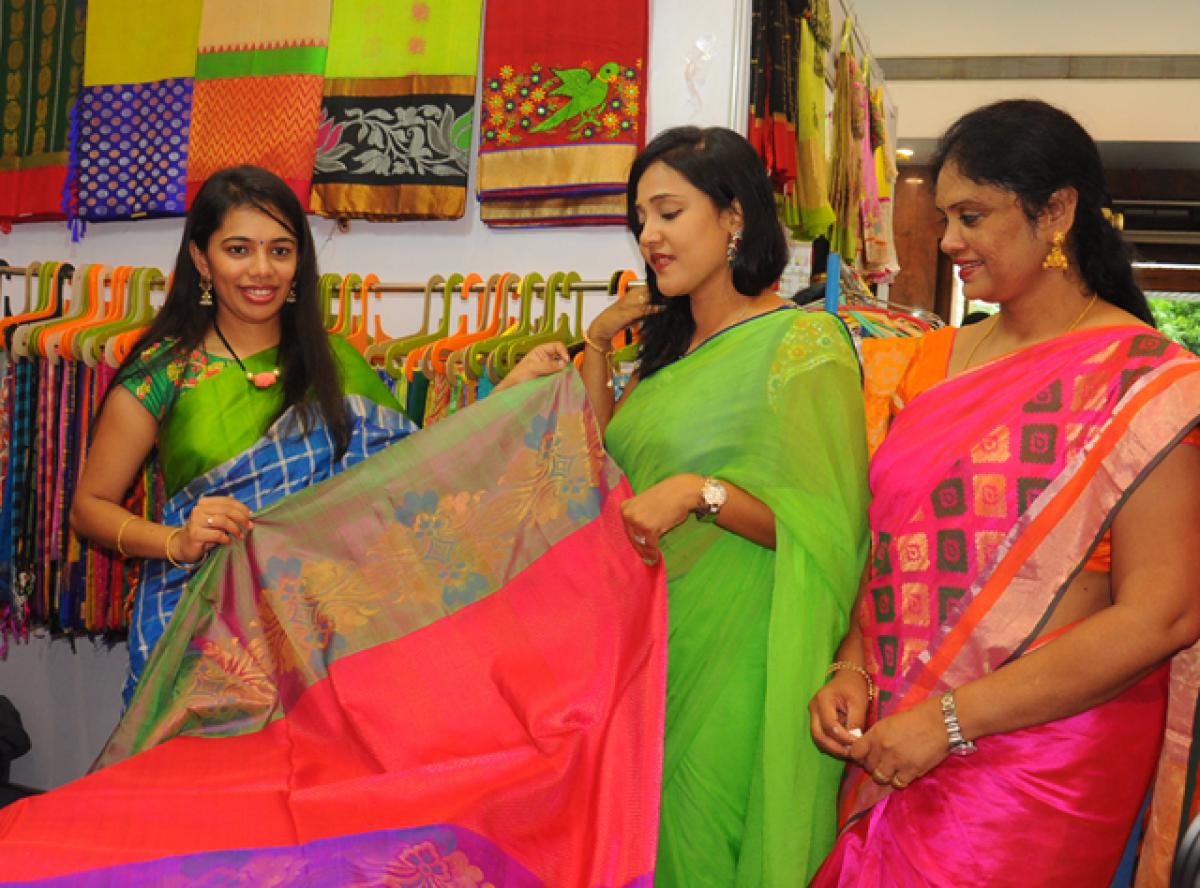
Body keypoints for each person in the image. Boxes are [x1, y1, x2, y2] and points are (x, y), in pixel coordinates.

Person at [808, 99, 1200, 887]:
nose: (948, 241)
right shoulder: (925, 362)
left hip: (1042, 761)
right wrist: (852, 668)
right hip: (898, 732)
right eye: (945, 218)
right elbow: (891, 548)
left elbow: (1163, 615)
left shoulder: (1151, 385)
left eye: (973, 216)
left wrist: (950, 721)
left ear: (1057, 212)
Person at [69, 165, 555, 704]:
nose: (262, 270)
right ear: (202, 260)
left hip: (325, 641)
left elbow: (414, 475)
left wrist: (510, 392)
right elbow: (90, 507)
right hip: (202, 638)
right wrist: (175, 542)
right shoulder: (164, 372)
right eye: (238, 250)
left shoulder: (335, 363)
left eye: (280, 250)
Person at [578, 126, 870, 885]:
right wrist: (599, 349)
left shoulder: (802, 343)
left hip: (739, 657)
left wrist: (702, 494)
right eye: (640, 218)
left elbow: (829, 528)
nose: (650, 235)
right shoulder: (668, 354)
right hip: (644, 647)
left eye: (669, 212)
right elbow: (606, 470)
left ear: (734, 215)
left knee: (703, 846)